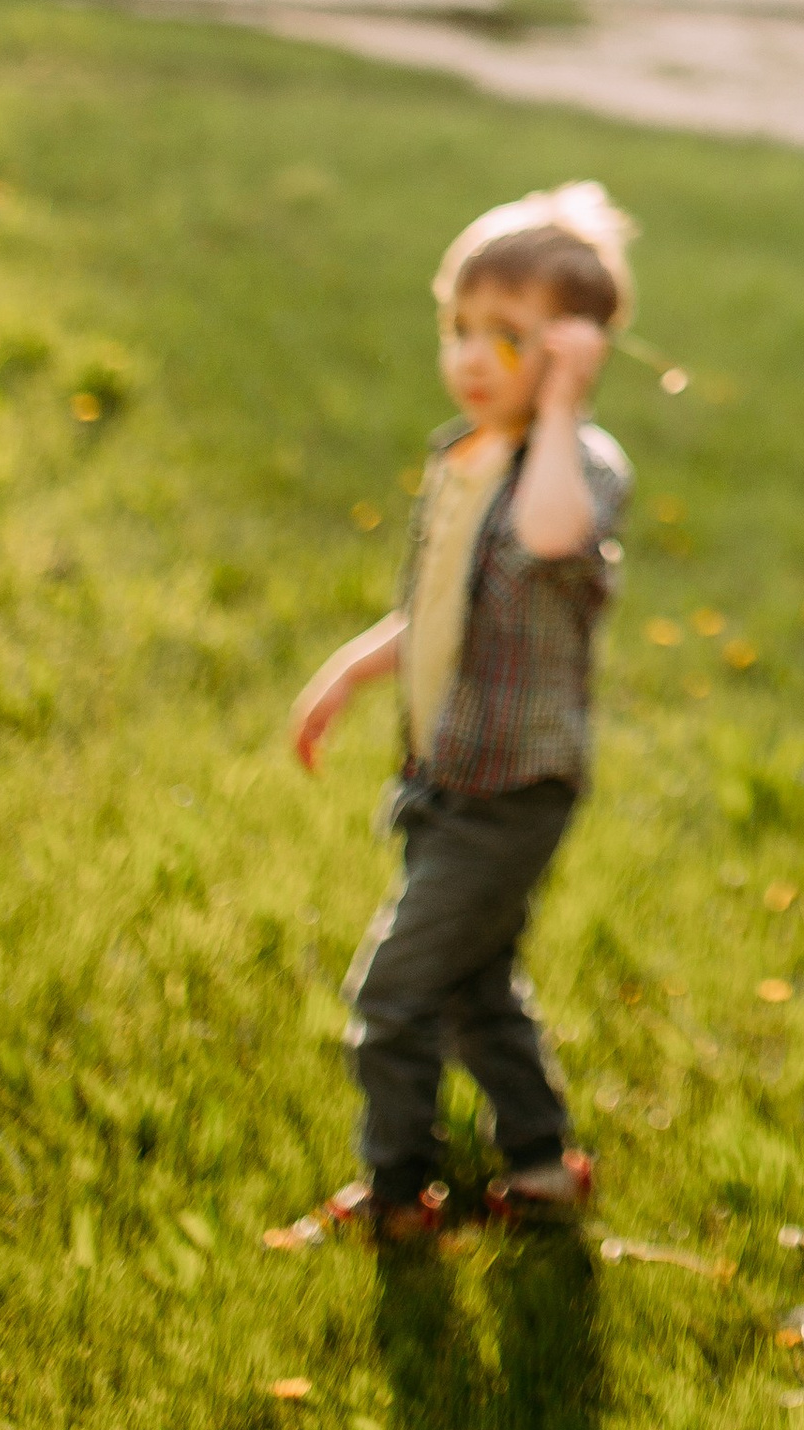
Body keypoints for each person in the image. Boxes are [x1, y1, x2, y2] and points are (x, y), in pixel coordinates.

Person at [267, 182, 637, 1249]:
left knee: (393, 998)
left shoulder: (573, 467)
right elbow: (438, 609)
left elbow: (554, 537)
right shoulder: (462, 457)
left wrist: (562, 405)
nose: (473, 357)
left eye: (509, 339)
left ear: (572, 353)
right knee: (476, 985)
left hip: (512, 791)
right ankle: (538, 1165)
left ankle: (397, 1196)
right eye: (460, 329)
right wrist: (352, 671)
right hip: (444, 775)